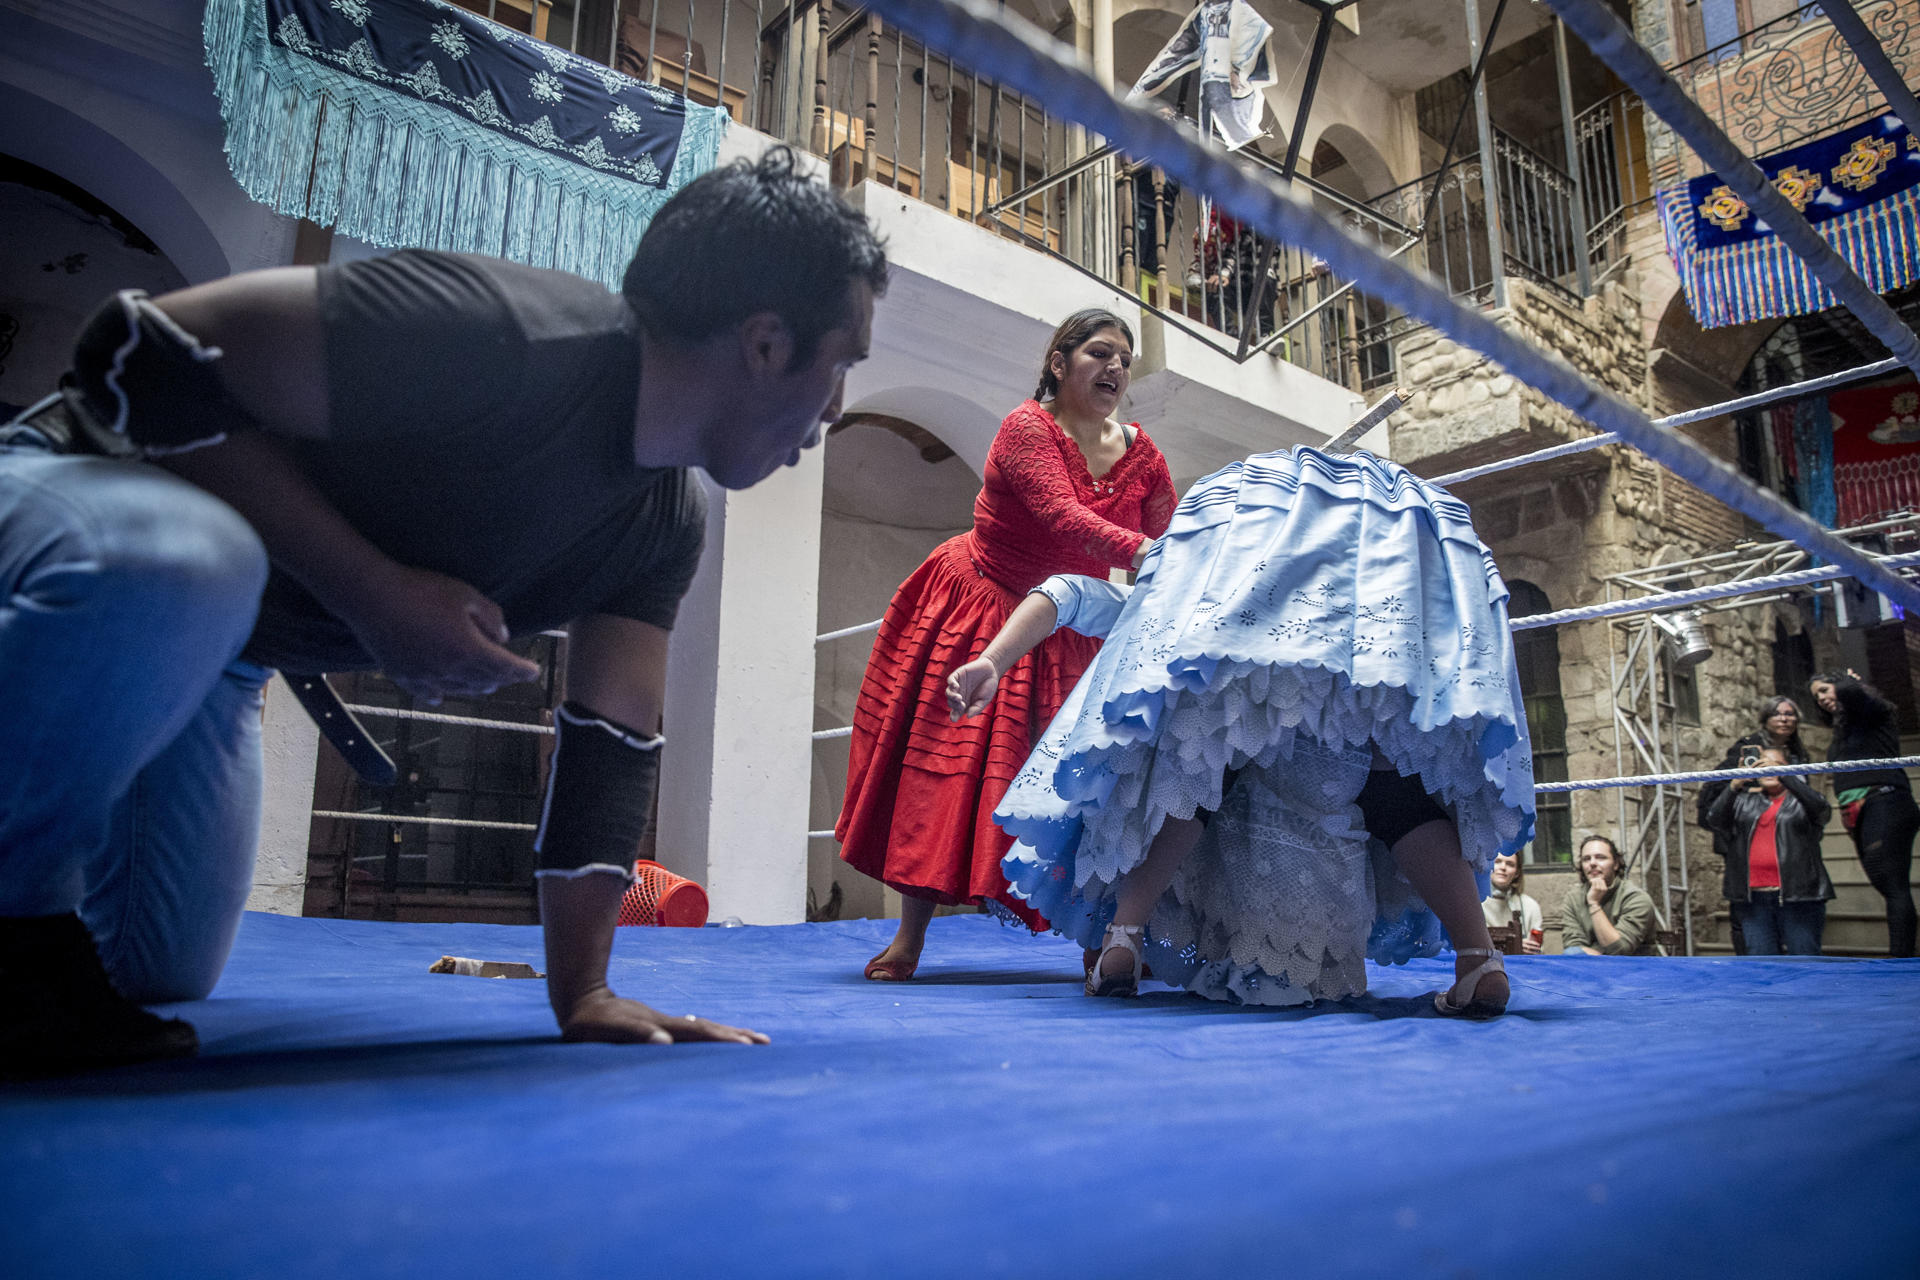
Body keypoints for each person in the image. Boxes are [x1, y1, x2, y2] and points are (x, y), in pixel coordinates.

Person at [0, 147, 886, 1076]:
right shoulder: (501, 337)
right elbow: (136, 354)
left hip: (219, 655)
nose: (833, 410)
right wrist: (374, 592)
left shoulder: (664, 523)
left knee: (158, 971)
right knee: (189, 559)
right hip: (70, 503)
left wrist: (582, 993)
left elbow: (609, 750)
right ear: (767, 342)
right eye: (843, 365)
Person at [947, 447, 1535, 1016]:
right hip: (1361, 699)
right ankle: (1478, 957)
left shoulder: (1187, 605)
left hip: (1266, 761)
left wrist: (993, 661)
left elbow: (1065, 593)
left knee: (1198, 765)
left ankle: (1125, 931)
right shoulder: (1336, 605)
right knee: (1398, 793)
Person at [837, 310, 1176, 982]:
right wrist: (1145, 550)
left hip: (1065, 626)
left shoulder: (1145, 457)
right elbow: (1062, 516)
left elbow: (1173, 528)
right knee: (941, 773)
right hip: (982, 607)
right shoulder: (1026, 429)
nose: (1115, 368)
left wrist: (1189, 555)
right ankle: (910, 938)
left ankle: (1100, 943)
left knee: (1081, 786)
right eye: (1099, 353)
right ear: (1059, 363)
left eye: (1125, 359)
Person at [1810, 670, 1919, 957]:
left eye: (1825, 690)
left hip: (1885, 800)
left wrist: (1849, 683)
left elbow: (1855, 696)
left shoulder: (1871, 712)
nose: (1821, 699)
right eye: (1817, 696)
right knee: (1886, 883)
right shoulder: (1844, 728)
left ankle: (1901, 959)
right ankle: (1903, 954)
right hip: (1858, 809)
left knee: (1892, 882)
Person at [1697, 695, 1810, 954]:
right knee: (1747, 917)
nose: (1784, 719)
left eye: (1790, 713)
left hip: (1790, 831)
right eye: (1777, 714)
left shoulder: (1798, 752)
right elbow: (1714, 791)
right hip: (1746, 834)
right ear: (1765, 719)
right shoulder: (1748, 748)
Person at [1704, 747, 1833, 955]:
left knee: (1805, 961)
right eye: (1762, 763)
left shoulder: (1801, 800)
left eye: (1775, 764)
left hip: (1799, 896)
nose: (1767, 769)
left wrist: (1787, 778)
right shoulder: (1744, 800)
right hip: (1754, 900)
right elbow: (1715, 820)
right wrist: (1734, 785)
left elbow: (1821, 810)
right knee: (1762, 966)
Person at [1558, 835, 1657, 955]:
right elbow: (1573, 944)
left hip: (1634, 969)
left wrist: (1594, 904)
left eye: (1600, 858)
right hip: (1590, 966)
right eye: (1586, 859)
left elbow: (1620, 949)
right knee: (1572, 953)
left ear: (1615, 864)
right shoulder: (1573, 898)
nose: (1592, 863)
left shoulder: (1636, 898)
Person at [1482, 852, 1543, 954]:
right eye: (1497, 862)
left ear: (1517, 873)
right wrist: (1515, 945)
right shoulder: (1476, 903)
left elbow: (1538, 948)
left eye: (1510, 864)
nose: (1503, 867)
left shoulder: (1530, 906)